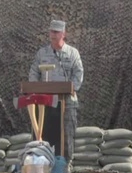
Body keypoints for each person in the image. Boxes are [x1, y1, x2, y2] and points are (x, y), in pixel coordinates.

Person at [29, 20, 84, 173]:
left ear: (63, 34)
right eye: (51, 32)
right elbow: (34, 72)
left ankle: (66, 165)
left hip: (67, 103)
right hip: (46, 103)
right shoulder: (42, 53)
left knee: (67, 135)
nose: (52, 35)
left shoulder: (73, 53)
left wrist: (70, 89)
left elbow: (78, 74)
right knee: (45, 134)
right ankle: (43, 164)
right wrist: (36, 88)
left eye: (56, 32)